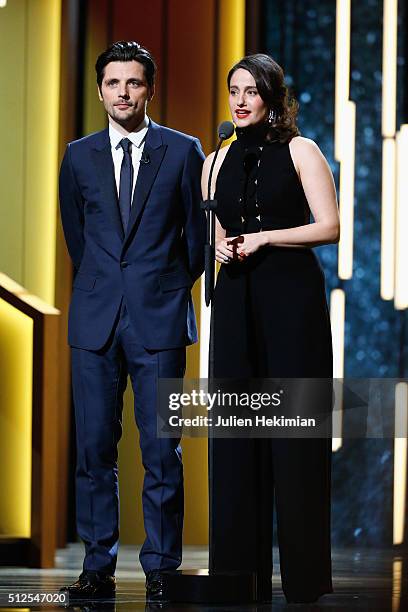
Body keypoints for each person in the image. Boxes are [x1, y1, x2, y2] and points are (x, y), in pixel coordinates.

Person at [59, 41, 206, 603]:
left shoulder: (183, 150)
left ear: (150, 88)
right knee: (94, 449)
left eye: (134, 83)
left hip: (160, 319)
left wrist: (162, 286)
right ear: (100, 91)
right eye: (114, 83)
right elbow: (79, 236)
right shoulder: (78, 155)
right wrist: (107, 285)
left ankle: (161, 568)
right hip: (95, 320)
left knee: (161, 450)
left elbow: (194, 240)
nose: (124, 92)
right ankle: (96, 566)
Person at [202, 54, 339, 604]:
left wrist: (263, 238)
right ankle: (239, 576)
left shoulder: (301, 150)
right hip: (235, 297)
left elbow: (328, 227)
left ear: (273, 98)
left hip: (292, 300)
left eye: (251, 91)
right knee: (235, 435)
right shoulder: (215, 159)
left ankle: (305, 580)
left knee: (296, 434)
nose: (239, 100)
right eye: (233, 89)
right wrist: (220, 244)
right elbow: (209, 222)